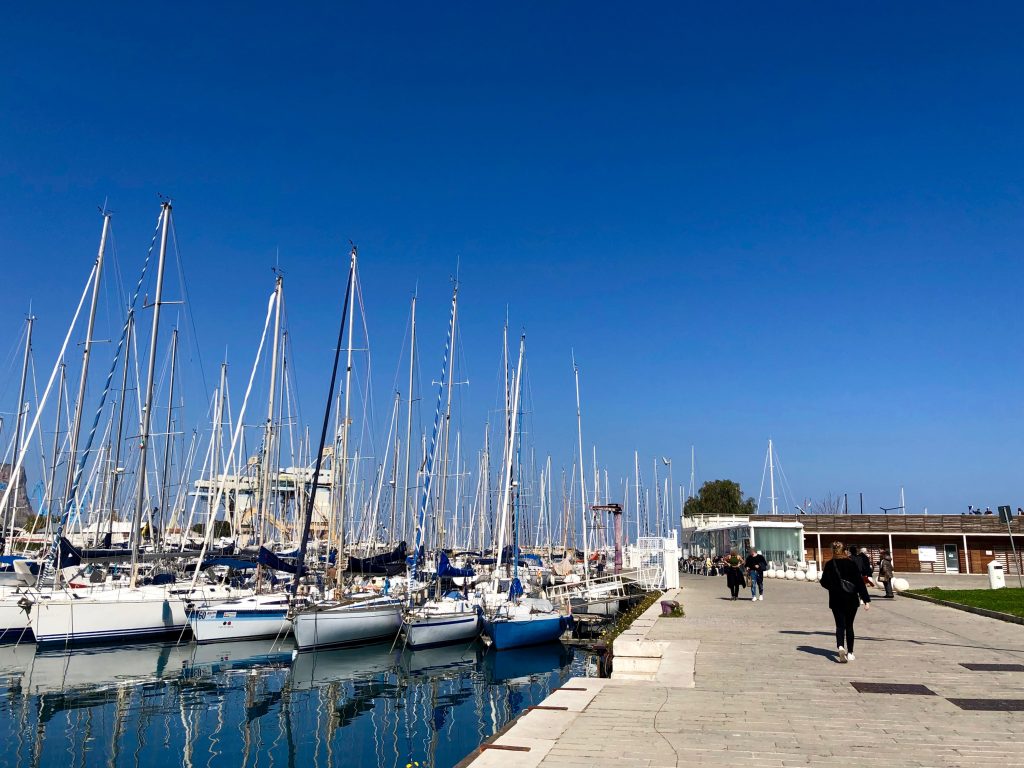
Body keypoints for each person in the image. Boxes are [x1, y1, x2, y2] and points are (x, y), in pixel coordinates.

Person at [820, 541, 871, 662]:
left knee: (839, 625)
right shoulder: (851, 563)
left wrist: (833, 588)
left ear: (833, 551)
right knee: (849, 626)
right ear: (844, 550)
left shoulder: (829, 564)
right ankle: (851, 653)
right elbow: (859, 583)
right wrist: (866, 600)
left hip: (836, 599)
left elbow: (823, 582)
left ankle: (840, 646)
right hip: (851, 599)